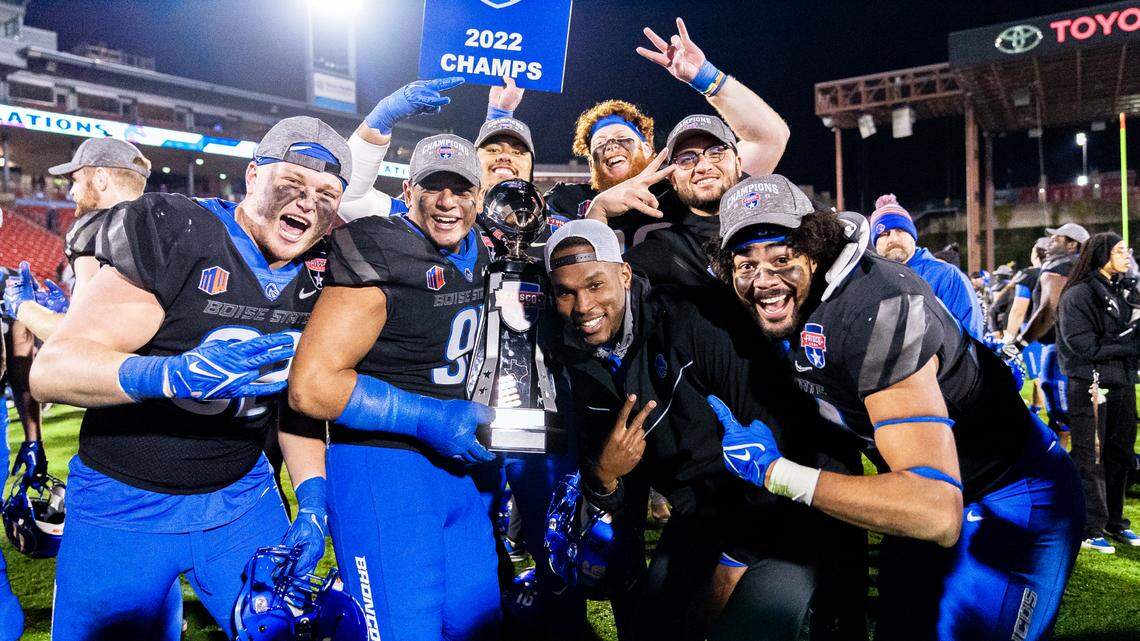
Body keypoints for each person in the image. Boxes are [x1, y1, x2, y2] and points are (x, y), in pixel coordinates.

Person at [707, 175, 1083, 641]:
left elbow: (934, 510)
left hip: (1010, 492)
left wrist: (777, 474)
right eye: (746, 266)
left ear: (815, 248)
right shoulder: (799, 311)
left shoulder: (876, 306)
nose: (763, 280)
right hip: (935, 488)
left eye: (781, 259)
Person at [28, 116, 350, 641]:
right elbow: (54, 370)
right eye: (291, 184)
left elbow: (297, 404)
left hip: (242, 499)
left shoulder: (325, 268)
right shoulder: (179, 230)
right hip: (125, 503)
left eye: (326, 193)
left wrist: (313, 501)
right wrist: (174, 375)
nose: (307, 203)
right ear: (252, 177)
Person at [543, 219, 841, 641]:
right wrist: (605, 476)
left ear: (624, 275)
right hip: (700, 513)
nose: (583, 305)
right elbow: (615, 477)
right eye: (565, 292)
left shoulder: (692, 322)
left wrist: (732, 564)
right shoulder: (577, 353)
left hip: (779, 510)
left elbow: (783, 436)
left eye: (595, 285)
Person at [288, 134, 502, 641]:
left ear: (479, 194)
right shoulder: (381, 247)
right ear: (408, 191)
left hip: (460, 473)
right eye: (433, 187)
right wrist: (429, 418)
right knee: (403, 630)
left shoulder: (487, 247)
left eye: (460, 188)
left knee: (477, 626)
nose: (447, 202)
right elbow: (311, 387)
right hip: (383, 466)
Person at [546, 18, 789, 248]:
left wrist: (706, 78)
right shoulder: (569, 200)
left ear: (648, 147)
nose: (611, 146)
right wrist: (598, 209)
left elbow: (769, 139)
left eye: (623, 138)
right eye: (600, 143)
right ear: (590, 162)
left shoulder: (682, 181)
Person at [7, 138, 152, 340]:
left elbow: (78, 336)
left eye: (75, 180)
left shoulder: (94, 228)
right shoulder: (160, 224)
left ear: (101, 178)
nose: (72, 191)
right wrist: (65, 312)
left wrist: (24, 307)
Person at [1057, 232, 1140, 554]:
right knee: (1091, 456)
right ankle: (1090, 527)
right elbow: (1082, 345)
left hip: (1122, 383)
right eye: (1120, 250)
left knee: (1120, 454)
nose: (1127, 255)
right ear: (1102, 253)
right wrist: (1129, 342)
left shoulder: (1123, 290)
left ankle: (1116, 522)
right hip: (1090, 384)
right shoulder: (1078, 295)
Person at [1009, 223, 1090, 435]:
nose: (1051, 242)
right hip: (1076, 348)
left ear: (1072, 245)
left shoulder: (1059, 267)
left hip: (1062, 348)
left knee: (1064, 415)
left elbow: (1048, 311)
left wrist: (1020, 343)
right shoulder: (1081, 267)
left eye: (1057, 239)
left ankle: (1084, 464)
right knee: (1069, 415)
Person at [870, 194, 983, 339]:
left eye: (900, 230)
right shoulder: (872, 282)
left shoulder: (946, 276)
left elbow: (971, 338)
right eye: (884, 234)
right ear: (876, 244)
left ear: (913, 236)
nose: (893, 239)